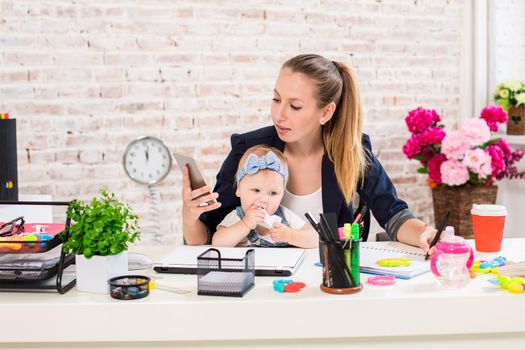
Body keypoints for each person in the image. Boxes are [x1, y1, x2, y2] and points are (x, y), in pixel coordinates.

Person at [182, 53, 438, 253]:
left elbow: (394, 215)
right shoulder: (249, 150)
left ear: (326, 112)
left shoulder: (352, 152)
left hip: (330, 283)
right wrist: (190, 215)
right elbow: (207, 236)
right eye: (276, 99)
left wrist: (423, 232)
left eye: (294, 106)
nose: (279, 114)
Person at [212, 145, 318, 248]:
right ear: (239, 189)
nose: (263, 200)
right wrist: (245, 224)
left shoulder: (284, 216)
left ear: (282, 194)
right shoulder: (237, 218)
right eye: (256, 190)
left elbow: (315, 238)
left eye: (273, 193)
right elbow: (218, 243)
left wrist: (290, 235)